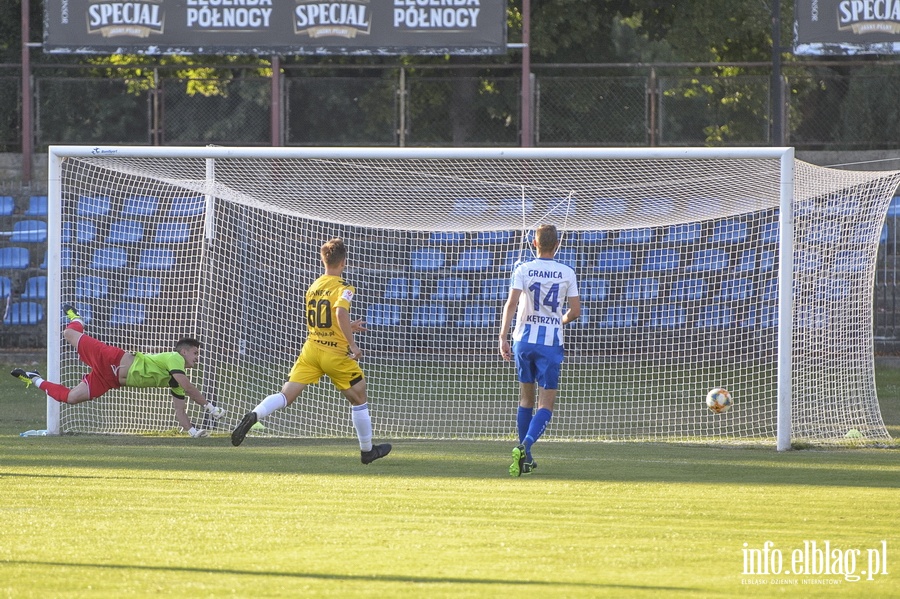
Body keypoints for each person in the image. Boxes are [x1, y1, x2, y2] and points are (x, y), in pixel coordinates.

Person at [231, 237, 392, 465]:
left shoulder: (314, 286)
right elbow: (338, 314)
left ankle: (254, 415)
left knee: (286, 395)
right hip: (334, 353)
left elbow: (325, 319)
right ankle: (367, 452)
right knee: (359, 399)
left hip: (311, 350)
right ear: (344, 262)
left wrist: (346, 327)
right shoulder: (344, 288)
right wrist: (353, 344)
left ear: (323, 259)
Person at [10, 304, 224, 438]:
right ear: (184, 352)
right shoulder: (174, 358)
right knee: (68, 333)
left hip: (109, 380)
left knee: (72, 398)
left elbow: (180, 410)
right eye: (195, 353)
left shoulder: (176, 379)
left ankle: (34, 379)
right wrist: (210, 407)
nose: (197, 358)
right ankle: (77, 320)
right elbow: (188, 387)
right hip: (111, 359)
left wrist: (193, 432)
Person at [498, 224, 580, 476]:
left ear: (535, 244)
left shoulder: (522, 268)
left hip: (522, 340)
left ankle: (525, 459)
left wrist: (502, 337)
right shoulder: (567, 272)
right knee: (546, 404)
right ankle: (526, 445)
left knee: (525, 399)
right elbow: (575, 312)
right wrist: (559, 320)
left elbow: (511, 304)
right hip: (550, 344)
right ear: (557, 245)